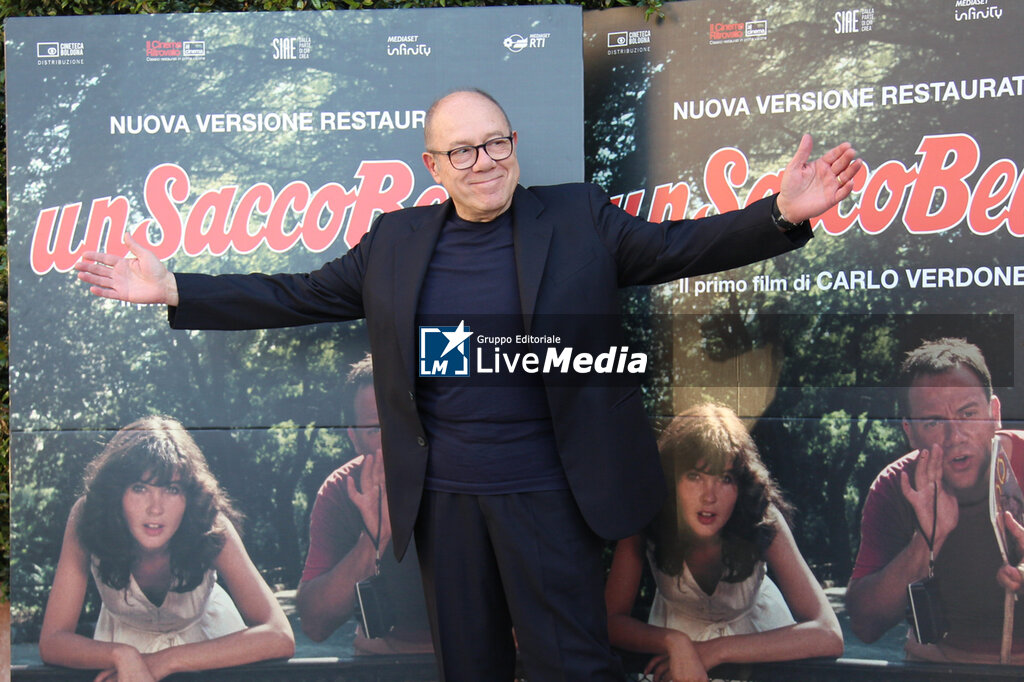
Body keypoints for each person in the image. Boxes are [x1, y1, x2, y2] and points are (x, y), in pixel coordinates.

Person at [75, 88, 861, 680]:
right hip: (445, 501)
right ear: (434, 165)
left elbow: (681, 246)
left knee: (573, 668)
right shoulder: (395, 240)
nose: (483, 162)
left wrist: (780, 214)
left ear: (513, 146)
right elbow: (297, 295)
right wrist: (177, 289)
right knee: (471, 669)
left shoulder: (578, 218)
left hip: (554, 496)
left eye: (496, 145)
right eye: (462, 151)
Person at [38, 415, 295, 681]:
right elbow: (53, 640)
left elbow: (279, 635)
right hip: (121, 653)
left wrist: (165, 661)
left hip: (212, 651)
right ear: (115, 492)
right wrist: (123, 656)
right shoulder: (88, 517)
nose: (156, 508)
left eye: (172, 489)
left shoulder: (208, 522)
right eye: (140, 488)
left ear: (189, 495)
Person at [605, 404, 842, 682]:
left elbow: (829, 634)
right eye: (694, 476)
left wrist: (715, 651)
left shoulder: (761, 517)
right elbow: (609, 621)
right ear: (670, 480)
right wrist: (674, 642)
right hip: (676, 654)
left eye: (725, 479)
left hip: (758, 647)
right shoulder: (645, 519)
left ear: (740, 486)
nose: (709, 496)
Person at [846, 338, 1024, 663]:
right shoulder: (894, 487)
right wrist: (925, 541)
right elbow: (864, 624)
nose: (954, 436)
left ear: (994, 412)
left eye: (968, 414)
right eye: (932, 422)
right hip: (939, 668)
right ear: (910, 433)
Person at [296, 354, 433, 653]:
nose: (396, 440)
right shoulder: (340, 492)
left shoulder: (480, 474)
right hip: (386, 663)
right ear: (355, 440)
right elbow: (315, 624)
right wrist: (372, 540)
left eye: (407, 421)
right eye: (375, 430)